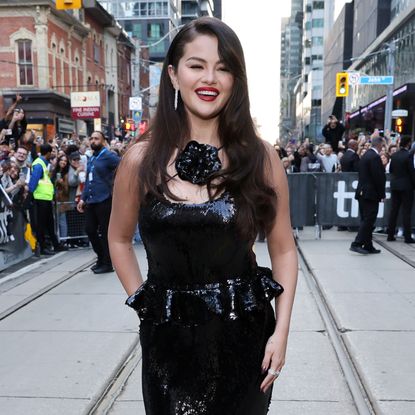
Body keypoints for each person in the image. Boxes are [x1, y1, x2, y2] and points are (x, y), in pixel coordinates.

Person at [108, 17, 298, 415]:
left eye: (223, 67)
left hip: (245, 342)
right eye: (197, 65)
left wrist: (281, 332)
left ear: (235, 80)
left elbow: (283, 249)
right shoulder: (140, 161)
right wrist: (143, 303)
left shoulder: (261, 158)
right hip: (167, 343)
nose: (210, 78)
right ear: (174, 75)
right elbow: (119, 239)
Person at [77, 131, 120, 274]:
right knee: (89, 230)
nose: (93, 140)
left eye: (96, 138)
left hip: (104, 200)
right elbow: (89, 180)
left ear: (103, 141)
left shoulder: (109, 156)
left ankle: (107, 263)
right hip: (91, 200)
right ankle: (101, 258)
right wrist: (83, 198)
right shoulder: (91, 158)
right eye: (91, 138)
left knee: (104, 233)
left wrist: (115, 186)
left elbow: (123, 167)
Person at [28, 144, 66, 255]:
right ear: (48, 153)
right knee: (42, 224)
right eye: (52, 151)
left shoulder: (43, 163)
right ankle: (43, 247)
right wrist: (30, 197)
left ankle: (55, 245)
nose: (53, 153)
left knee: (49, 223)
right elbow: (34, 182)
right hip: (40, 199)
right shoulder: (39, 164)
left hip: (45, 198)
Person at [350, 136, 386, 254]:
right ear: (380, 144)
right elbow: (378, 177)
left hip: (363, 192)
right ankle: (357, 243)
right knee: (369, 219)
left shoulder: (366, 155)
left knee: (366, 219)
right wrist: (382, 194)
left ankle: (368, 245)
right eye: (383, 145)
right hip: (370, 193)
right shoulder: (374, 157)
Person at [387, 136, 415, 244]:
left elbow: (391, 169)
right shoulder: (408, 156)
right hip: (406, 186)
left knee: (394, 210)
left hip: (395, 185)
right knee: (406, 212)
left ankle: (390, 235)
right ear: (408, 144)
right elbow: (411, 172)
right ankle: (407, 237)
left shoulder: (394, 155)